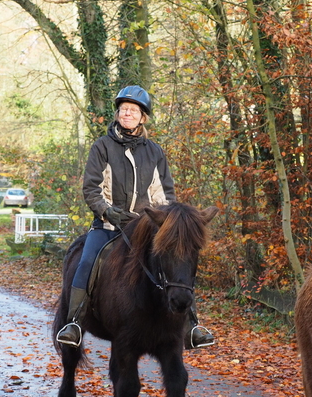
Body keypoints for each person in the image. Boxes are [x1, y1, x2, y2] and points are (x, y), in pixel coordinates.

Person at [56, 85, 215, 349]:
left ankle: (192, 326)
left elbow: (165, 194)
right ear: (117, 114)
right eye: (123, 109)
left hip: (145, 227)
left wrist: (163, 222)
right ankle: (74, 322)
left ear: (143, 117)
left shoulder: (155, 152)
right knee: (86, 262)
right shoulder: (102, 147)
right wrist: (106, 210)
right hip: (108, 224)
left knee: (178, 263)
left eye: (133, 110)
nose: (127, 114)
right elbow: (91, 188)